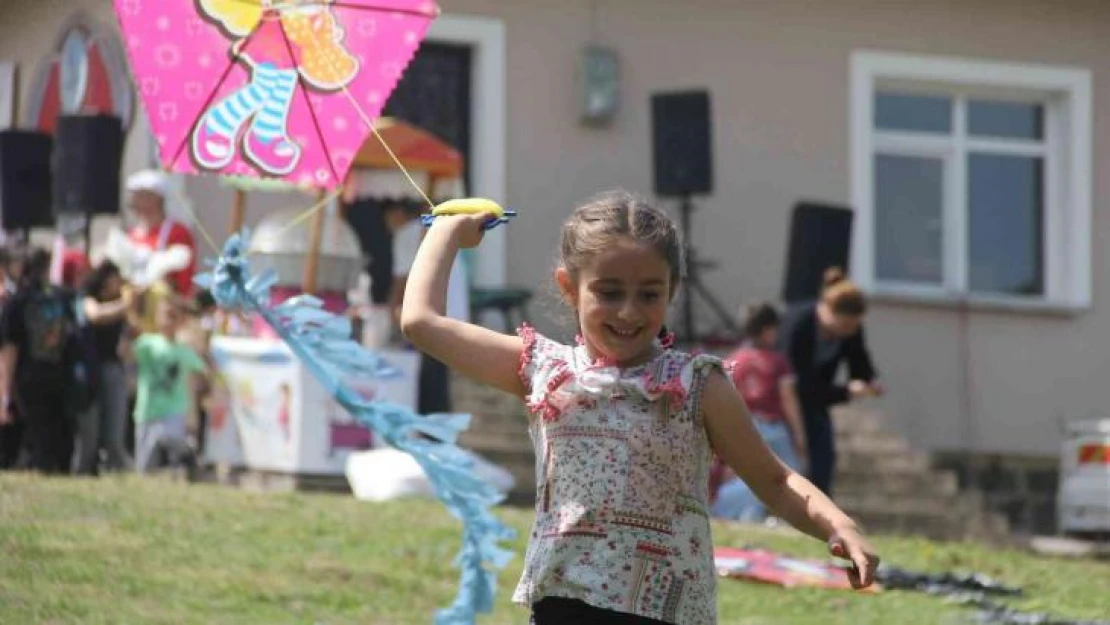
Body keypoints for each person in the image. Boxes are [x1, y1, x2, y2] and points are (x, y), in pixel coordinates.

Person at [400, 190, 879, 624]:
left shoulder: (697, 385)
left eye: (649, 294)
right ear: (569, 287)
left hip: (667, 613)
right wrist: (445, 231)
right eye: (608, 292)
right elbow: (421, 321)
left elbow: (774, 480)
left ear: (671, 289)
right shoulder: (543, 368)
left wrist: (839, 524)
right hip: (566, 607)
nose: (629, 311)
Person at [779, 267, 883, 498]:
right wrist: (847, 391)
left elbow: (859, 359)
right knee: (791, 455)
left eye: (853, 327)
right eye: (845, 326)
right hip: (785, 399)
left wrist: (870, 381)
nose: (848, 332)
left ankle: (820, 509)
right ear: (826, 310)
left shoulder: (851, 330)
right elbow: (801, 384)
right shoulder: (800, 326)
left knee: (823, 456)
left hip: (817, 399)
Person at [712, 302, 807, 523]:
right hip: (773, 428)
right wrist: (800, 435)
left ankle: (748, 516)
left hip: (743, 427)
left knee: (748, 478)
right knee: (791, 480)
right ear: (767, 330)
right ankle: (792, 520)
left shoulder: (732, 361)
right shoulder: (777, 362)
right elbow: (788, 398)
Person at [0, 249, 79, 474]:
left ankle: (41, 471)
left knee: (38, 432)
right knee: (59, 430)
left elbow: (9, 349)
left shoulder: (18, 301)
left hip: (28, 376)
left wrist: (5, 393)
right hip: (60, 374)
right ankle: (60, 472)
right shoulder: (62, 298)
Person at [388, 201, 469, 415]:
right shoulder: (443, 231)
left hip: (434, 318)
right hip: (454, 318)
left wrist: (393, 311)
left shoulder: (408, 234)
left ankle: (431, 433)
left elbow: (402, 282)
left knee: (428, 385)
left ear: (396, 213)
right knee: (438, 384)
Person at [131, 300, 207, 477]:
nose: (169, 321)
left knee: (172, 444)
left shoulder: (184, 350)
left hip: (173, 410)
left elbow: (202, 371)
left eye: (173, 317)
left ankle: (185, 464)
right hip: (147, 409)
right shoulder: (147, 343)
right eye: (165, 315)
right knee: (144, 462)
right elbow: (127, 353)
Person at [72, 260, 134, 475]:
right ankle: (83, 472)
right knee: (89, 432)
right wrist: (126, 305)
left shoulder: (121, 306)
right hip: (89, 373)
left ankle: (115, 471)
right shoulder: (88, 299)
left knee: (114, 433)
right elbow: (96, 315)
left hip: (113, 370)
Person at [125, 169, 197, 298]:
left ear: (155, 198)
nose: (133, 201)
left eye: (139, 195)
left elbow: (184, 279)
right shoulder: (131, 234)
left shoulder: (177, 232)